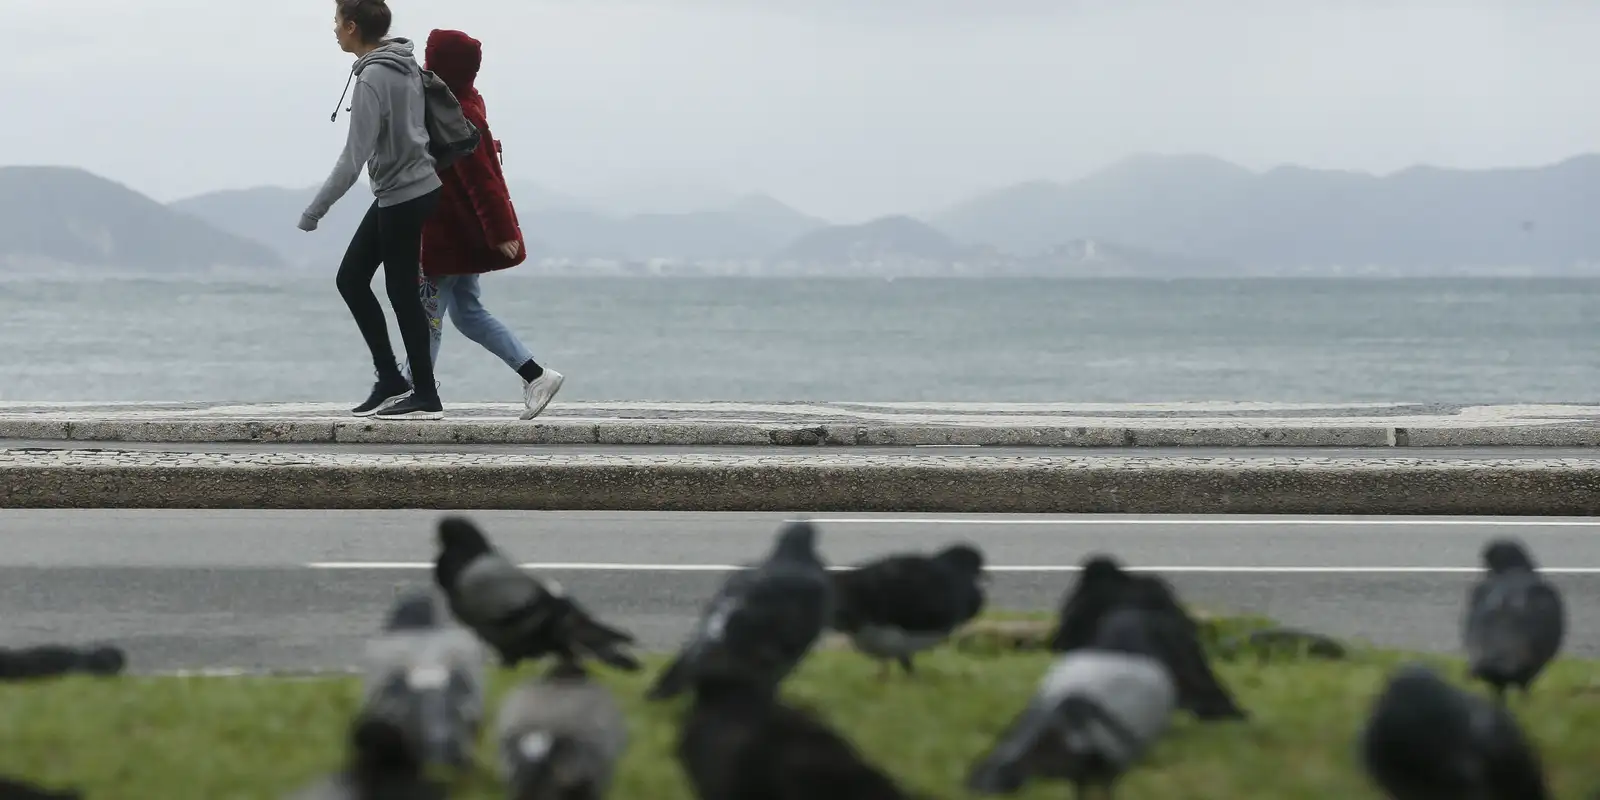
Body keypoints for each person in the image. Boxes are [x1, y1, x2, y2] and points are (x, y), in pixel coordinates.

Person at [400, 29, 563, 420]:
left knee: (428, 315)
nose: (426, 67)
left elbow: (484, 177)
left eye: (432, 60)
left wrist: (503, 232)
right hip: (459, 233)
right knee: (467, 313)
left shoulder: (456, 111)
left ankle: (414, 392)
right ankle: (535, 374)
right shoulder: (459, 104)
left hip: (446, 233)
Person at [298, 0, 445, 420]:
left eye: (336, 23)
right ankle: (392, 379)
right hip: (412, 188)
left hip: (403, 192)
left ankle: (423, 392)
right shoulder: (403, 64)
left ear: (352, 26)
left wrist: (314, 211)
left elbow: (352, 158)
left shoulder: (372, 78)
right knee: (353, 278)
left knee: (398, 290)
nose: (333, 30)